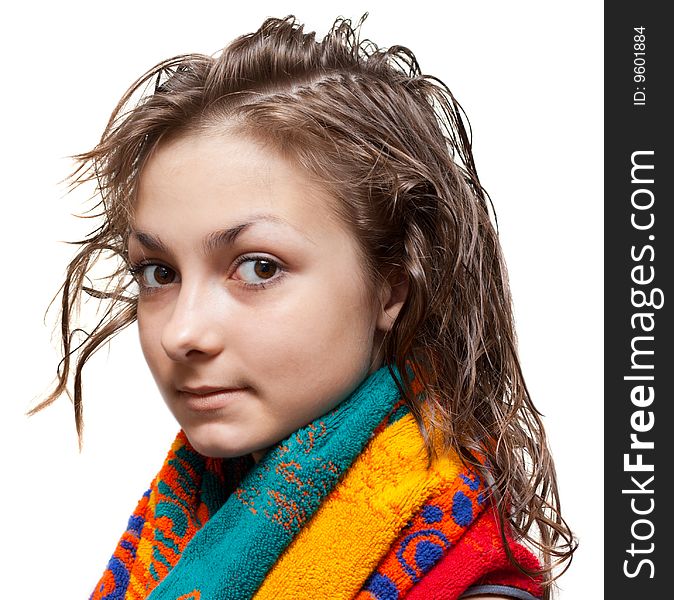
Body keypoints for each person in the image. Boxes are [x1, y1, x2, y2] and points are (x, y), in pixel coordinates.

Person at [31, 13, 575, 600]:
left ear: (390, 288)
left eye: (259, 268)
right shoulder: (172, 541)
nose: (181, 332)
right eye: (159, 273)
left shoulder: (470, 589)